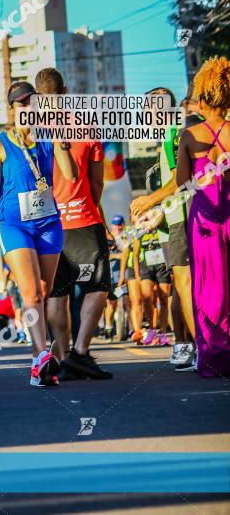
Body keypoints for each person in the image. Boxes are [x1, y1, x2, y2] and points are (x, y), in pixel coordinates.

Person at [0, 80, 77, 387]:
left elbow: (70, 174)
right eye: (21, 104)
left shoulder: (49, 135)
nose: (28, 108)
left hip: (47, 223)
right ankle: (43, 354)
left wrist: (61, 138)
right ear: (12, 109)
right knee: (30, 294)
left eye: (32, 102)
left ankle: (36, 359)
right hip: (13, 224)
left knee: (42, 293)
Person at [35, 68, 113, 381]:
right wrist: (96, 213)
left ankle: (63, 356)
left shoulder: (32, 131)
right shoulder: (84, 124)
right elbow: (96, 181)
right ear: (64, 91)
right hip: (82, 217)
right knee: (98, 286)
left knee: (58, 295)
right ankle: (80, 352)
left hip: (49, 224)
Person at [130, 87, 200, 368]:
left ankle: (198, 348)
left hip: (185, 220)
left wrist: (151, 201)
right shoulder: (170, 135)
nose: (147, 115)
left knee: (185, 286)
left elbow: (180, 180)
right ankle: (188, 345)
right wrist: (157, 210)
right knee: (180, 288)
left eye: (150, 109)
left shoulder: (175, 132)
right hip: (174, 220)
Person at [176, 56, 230, 378]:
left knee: (209, 289)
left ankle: (213, 358)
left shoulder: (190, 136)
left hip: (204, 221)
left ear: (204, 95)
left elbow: (184, 186)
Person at [105, 215, 130, 342]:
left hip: (124, 275)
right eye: (115, 224)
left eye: (120, 224)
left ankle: (128, 329)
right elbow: (107, 256)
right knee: (112, 303)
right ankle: (108, 328)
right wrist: (118, 256)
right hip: (110, 276)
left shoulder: (126, 236)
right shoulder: (108, 238)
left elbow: (128, 254)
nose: (118, 227)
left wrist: (119, 256)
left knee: (127, 300)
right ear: (111, 225)